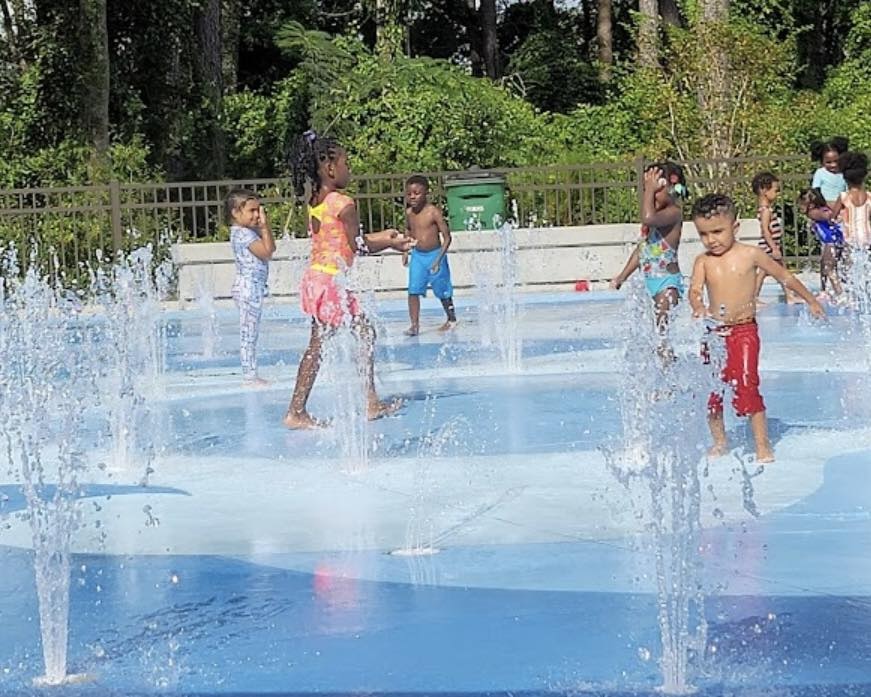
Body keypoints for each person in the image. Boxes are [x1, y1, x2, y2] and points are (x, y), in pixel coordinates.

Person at [283, 131, 415, 430]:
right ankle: (297, 411)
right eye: (346, 162)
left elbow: (346, 243)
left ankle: (368, 400)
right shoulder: (343, 203)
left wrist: (384, 237)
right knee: (321, 345)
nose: (349, 169)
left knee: (362, 332)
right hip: (331, 282)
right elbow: (359, 246)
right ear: (330, 168)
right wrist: (391, 241)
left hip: (319, 278)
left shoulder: (316, 200)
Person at [689, 194, 825, 463]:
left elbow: (784, 276)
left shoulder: (750, 255)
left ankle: (763, 445)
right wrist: (698, 306)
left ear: (735, 227)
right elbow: (694, 291)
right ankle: (720, 441)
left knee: (748, 384)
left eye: (717, 231)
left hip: (744, 332)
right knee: (712, 389)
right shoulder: (703, 261)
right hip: (715, 333)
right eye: (704, 234)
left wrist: (810, 300)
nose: (711, 240)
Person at [610, 162, 688, 332]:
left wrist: (650, 189)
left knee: (662, 337)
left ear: (673, 189)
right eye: (646, 189)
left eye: (655, 189)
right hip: (649, 283)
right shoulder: (656, 222)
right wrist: (622, 277)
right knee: (649, 336)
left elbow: (647, 218)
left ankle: (668, 359)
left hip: (667, 284)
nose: (650, 195)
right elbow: (642, 251)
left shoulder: (674, 213)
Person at [227, 188, 276, 386]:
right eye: (252, 211)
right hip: (247, 288)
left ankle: (252, 372)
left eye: (259, 210)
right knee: (248, 332)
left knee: (252, 331)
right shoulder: (241, 234)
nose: (257, 215)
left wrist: (261, 227)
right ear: (236, 213)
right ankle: (249, 375)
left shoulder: (247, 232)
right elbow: (267, 251)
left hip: (253, 288)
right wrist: (265, 228)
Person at [403, 175, 457, 336]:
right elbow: (408, 230)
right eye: (409, 193)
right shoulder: (409, 213)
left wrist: (438, 259)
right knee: (413, 290)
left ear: (426, 193)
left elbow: (447, 237)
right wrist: (406, 250)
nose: (412, 197)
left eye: (417, 193)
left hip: (435, 255)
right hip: (418, 256)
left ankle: (451, 319)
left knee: (443, 290)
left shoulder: (433, 212)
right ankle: (414, 325)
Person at [751, 172, 798, 303]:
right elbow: (766, 231)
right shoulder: (765, 210)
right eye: (775, 190)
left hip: (771, 246)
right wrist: (773, 248)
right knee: (764, 272)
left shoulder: (766, 209)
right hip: (768, 248)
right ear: (764, 190)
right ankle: (754, 298)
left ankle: (789, 295)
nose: (777, 194)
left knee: (780, 271)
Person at [797, 187, 844, 301]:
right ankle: (824, 291)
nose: (800, 207)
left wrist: (832, 218)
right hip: (832, 241)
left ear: (811, 205)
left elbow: (830, 215)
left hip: (832, 242)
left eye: (802, 205)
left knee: (829, 268)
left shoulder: (817, 212)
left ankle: (840, 293)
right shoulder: (817, 210)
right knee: (824, 265)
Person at [810, 137, 849, 205]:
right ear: (822, 162)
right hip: (825, 205)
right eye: (828, 162)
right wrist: (823, 204)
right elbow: (816, 189)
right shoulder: (820, 172)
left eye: (836, 161)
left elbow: (847, 189)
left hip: (842, 204)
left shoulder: (843, 173)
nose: (833, 165)